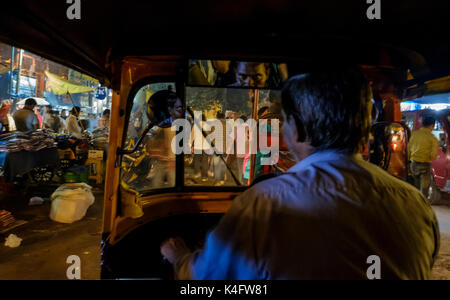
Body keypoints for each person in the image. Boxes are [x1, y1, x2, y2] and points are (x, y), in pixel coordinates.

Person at [160, 68, 439, 280]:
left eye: (285, 122)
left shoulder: (264, 205)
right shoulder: (416, 205)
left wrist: (180, 257)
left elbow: (205, 278)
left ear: (299, 129)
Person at [408, 116, 439, 198]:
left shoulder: (414, 134)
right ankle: (422, 207)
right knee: (424, 192)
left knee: (416, 189)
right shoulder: (433, 138)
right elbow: (433, 155)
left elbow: (408, 149)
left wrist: (408, 161)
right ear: (432, 125)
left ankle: (415, 206)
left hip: (414, 164)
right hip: (425, 165)